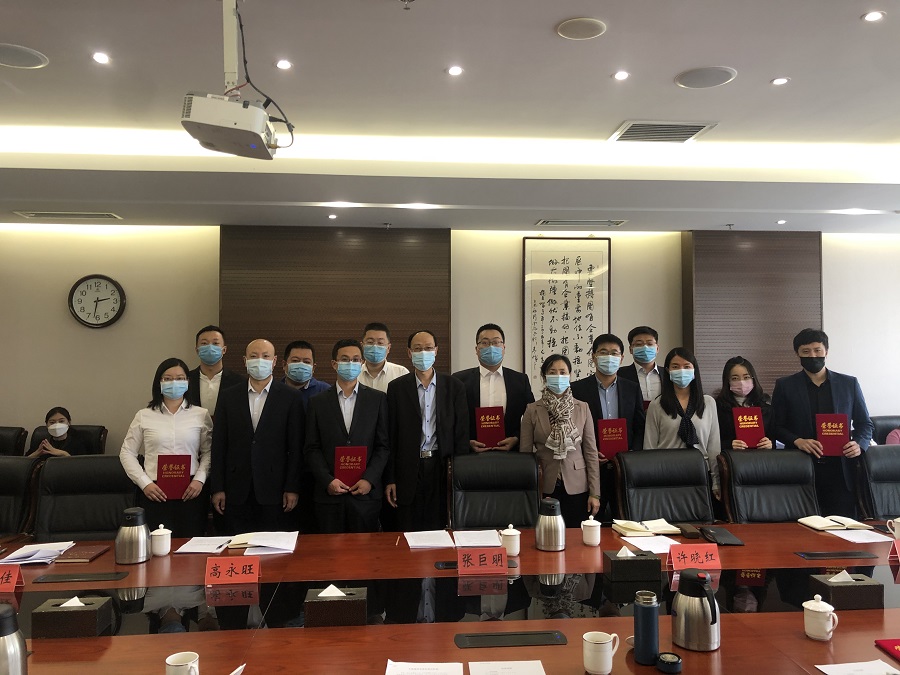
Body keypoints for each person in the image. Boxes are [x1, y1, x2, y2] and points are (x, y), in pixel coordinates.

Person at [772, 328, 873, 517]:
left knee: (842, 525)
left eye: (817, 350)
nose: (813, 356)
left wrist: (859, 444)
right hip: (801, 468)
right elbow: (776, 426)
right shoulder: (785, 386)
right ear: (797, 354)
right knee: (803, 525)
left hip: (841, 471)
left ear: (826, 351)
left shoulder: (849, 384)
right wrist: (797, 441)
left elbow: (865, 424)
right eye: (806, 351)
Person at [210, 339, 303, 534]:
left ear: (274, 361)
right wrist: (217, 487)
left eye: (265, 356)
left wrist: (292, 487)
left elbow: (295, 447)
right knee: (236, 544)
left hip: (275, 490)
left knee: (271, 546)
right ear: (245, 360)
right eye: (254, 356)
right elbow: (218, 445)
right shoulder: (228, 396)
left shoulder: (290, 397)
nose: (259, 360)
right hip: (235, 489)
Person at [119, 358, 213, 538]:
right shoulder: (144, 415)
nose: (174, 383)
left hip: (191, 491)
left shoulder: (201, 414)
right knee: (157, 547)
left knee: (191, 547)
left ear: (188, 382)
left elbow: (209, 452)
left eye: (180, 378)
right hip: (154, 492)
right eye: (168, 378)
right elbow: (127, 452)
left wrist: (200, 480)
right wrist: (144, 483)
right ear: (159, 382)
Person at [385, 330, 468, 531]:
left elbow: (461, 435)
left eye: (428, 348)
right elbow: (391, 437)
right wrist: (390, 478)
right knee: (408, 527)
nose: (423, 353)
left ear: (436, 350)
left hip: (442, 466)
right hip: (407, 469)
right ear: (409, 352)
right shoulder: (396, 388)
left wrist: (459, 477)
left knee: (438, 526)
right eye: (418, 348)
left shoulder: (454, 386)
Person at [304, 339, 390, 533]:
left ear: (362, 363)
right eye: (344, 359)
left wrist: (369, 479)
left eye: (355, 359)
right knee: (329, 550)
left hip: (365, 496)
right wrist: (327, 480)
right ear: (334, 364)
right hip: (329, 496)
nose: (350, 364)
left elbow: (382, 446)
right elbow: (311, 448)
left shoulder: (377, 399)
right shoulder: (317, 402)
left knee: (365, 550)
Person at [571, 333, 645, 519]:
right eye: (603, 352)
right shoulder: (577, 389)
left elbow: (639, 426)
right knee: (590, 521)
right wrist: (588, 452)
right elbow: (572, 427)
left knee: (626, 521)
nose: (609, 357)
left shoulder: (632, 388)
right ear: (594, 357)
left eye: (614, 353)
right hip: (591, 467)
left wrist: (632, 453)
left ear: (622, 358)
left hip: (625, 467)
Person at [520, 353, 600, 527]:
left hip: (577, 484)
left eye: (563, 372)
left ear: (570, 375)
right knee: (547, 533)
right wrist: (527, 493)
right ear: (544, 377)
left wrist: (595, 493)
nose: (558, 376)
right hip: (545, 482)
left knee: (575, 536)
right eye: (552, 372)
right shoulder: (532, 409)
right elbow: (525, 455)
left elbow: (590, 452)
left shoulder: (582, 407)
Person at [644, 347, 722, 498]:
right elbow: (649, 447)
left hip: (700, 473)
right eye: (675, 366)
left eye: (687, 366)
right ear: (668, 371)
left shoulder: (708, 403)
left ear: (694, 370)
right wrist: (651, 483)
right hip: (666, 474)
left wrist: (716, 481)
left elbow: (713, 446)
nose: (681, 370)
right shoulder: (657, 405)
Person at [452, 323, 534, 452]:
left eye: (496, 342)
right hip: (470, 455)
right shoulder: (459, 380)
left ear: (504, 348)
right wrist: (466, 442)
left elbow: (532, 417)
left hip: (511, 455)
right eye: (485, 343)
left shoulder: (520, 380)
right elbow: (450, 418)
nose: (491, 347)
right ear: (476, 349)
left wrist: (517, 438)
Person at [715, 356, 774, 450]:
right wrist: (729, 445)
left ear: (753, 379)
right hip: (732, 457)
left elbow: (775, 438)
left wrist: (769, 444)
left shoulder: (765, 407)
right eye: (735, 378)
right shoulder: (717, 408)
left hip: (761, 457)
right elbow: (711, 442)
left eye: (746, 377)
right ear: (727, 381)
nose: (742, 382)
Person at [187, 325, 245, 412]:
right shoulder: (186, 380)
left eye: (215, 343)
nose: (210, 347)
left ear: (224, 350)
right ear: (197, 350)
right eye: (204, 343)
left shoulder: (239, 382)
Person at [617, 326, 664, 409]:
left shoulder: (667, 373)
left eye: (650, 344)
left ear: (657, 348)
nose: (645, 347)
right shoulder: (620, 374)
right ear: (630, 349)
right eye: (639, 344)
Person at [358, 322, 409, 393]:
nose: (375, 346)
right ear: (362, 346)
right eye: (370, 342)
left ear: (388, 348)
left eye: (380, 343)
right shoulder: (354, 373)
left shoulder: (401, 373)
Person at [281, 340, 330, 411]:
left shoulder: (325, 391)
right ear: (284, 365)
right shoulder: (274, 390)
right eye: (295, 360)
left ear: (313, 368)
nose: (301, 365)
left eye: (306, 362)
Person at [27, 407, 92, 457]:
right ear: (47, 425)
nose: (56, 425)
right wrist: (36, 454)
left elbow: (84, 466)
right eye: (52, 422)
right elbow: (24, 464)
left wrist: (64, 454)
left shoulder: (79, 442)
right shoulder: (42, 443)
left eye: (61, 421)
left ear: (69, 422)